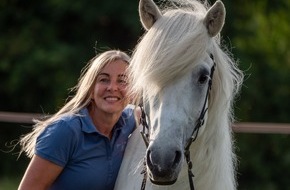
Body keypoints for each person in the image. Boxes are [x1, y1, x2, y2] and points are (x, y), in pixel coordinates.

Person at [18, 50, 139, 190]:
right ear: (90, 90)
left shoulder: (130, 120)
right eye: (104, 79)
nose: (112, 87)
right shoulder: (65, 130)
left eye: (122, 80)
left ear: (132, 91)